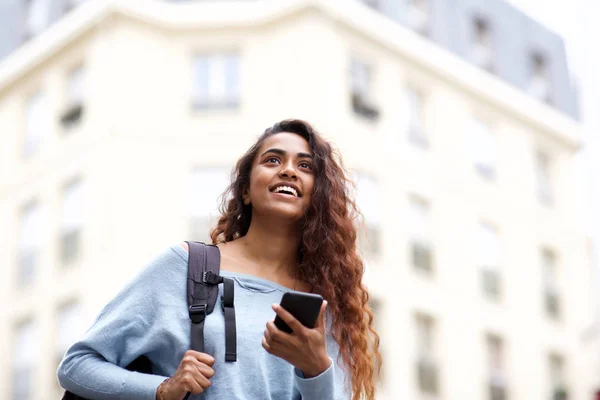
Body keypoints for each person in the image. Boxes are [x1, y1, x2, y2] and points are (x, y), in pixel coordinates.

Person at [57, 119, 381, 400]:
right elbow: (78, 365)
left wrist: (315, 368)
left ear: (318, 195)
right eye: (272, 160)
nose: (288, 170)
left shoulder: (325, 303)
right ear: (245, 191)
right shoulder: (186, 267)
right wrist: (163, 389)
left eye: (305, 166)